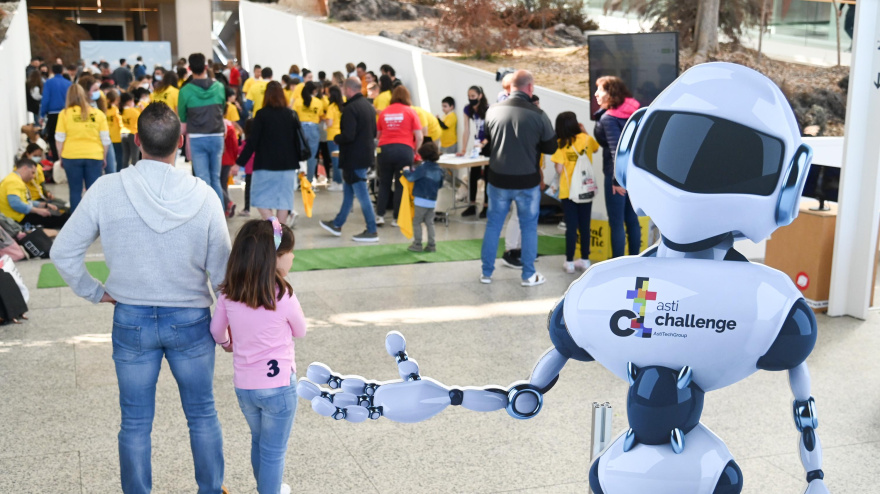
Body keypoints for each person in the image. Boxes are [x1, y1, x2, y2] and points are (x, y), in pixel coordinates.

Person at [51, 102, 230, 494]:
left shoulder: (107, 188)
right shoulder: (204, 195)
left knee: (134, 422)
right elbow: (223, 274)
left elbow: (62, 251)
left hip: (130, 317)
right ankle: (211, 490)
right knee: (202, 415)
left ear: (137, 141)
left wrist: (94, 291)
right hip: (191, 320)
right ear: (180, 143)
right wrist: (231, 322)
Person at [211, 218, 305, 494]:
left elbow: (217, 332)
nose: (293, 257)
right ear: (273, 257)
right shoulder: (283, 294)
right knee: (274, 451)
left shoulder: (229, 293)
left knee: (259, 441)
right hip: (279, 388)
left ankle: (268, 487)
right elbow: (300, 330)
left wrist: (229, 343)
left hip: (246, 386)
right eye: (289, 252)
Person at [480, 70, 557, 287]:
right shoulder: (538, 114)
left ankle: (486, 273)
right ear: (530, 88)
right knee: (528, 227)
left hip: (498, 180)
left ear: (510, 87)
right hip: (527, 181)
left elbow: (489, 143)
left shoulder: (492, 111)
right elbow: (551, 147)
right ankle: (528, 275)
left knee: (493, 226)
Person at [319, 77, 379, 243]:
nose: (343, 92)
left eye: (344, 89)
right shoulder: (368, 106)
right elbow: (374, 132)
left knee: (362, 194)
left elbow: (348, 135)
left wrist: (337, 138)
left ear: (349, 89)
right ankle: (337, 224)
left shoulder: (351, 108)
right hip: (364, 155)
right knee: (349, 192)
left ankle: (372, 230)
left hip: (354, 158)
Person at [237, 81, 304, 225]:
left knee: (260, 199)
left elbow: (252, 142)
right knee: (284, 202)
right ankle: (280, 241)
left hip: (265, 165)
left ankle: (275, 228)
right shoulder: (290, 115)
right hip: (287, 165)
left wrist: (239, 163)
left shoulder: (261, 115)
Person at [593, 75, 641, 258]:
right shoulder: (636, 111)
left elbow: (616, 151)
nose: (596, 93)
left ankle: (617, 265)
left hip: (617, 177)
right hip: (635, 174)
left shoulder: (609, 118)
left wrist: (617, 180)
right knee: (632, 220)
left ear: (611, 93)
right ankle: (635, 260)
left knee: (616, 223)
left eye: (600, 90)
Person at [550, 111, 599, 273]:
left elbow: (558, 169)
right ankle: (585, 259)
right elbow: (596, 149)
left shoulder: (560, 144)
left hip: (568, 192)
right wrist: (584, 132)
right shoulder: (586, 139)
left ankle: (570, 262)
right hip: (586, 189)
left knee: (571, 227)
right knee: (585, 226)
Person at [179, 52, 227, 206]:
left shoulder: (185, 91)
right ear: (206, 67)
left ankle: (205, 215)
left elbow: (183, 118)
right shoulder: (219, 87)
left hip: (197, 138)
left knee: (202, 180)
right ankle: (219, 215)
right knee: (216, 178)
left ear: (189, 68)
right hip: (217, 135)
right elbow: (223, 109)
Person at [55, 84, 110, 211]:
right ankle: (94, 223)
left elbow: (59, 139)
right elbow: (105, 140)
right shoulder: (98, 114)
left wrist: (61, 157)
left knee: (75, 191)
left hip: (71, 156)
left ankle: (75, 225)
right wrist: (104, 157)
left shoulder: (64, 114)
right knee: (93, 192)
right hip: (94, 156)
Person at [376, 85, 423, 226]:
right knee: (401, 184)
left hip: (384, 150)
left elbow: (378, 135)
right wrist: (416, 151)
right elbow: (419, 136)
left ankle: (380, 216)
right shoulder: (411, 112)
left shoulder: (384, 112)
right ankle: (397, 218)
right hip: (404, 150)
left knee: (384, 183)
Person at [0, 157, 69, 229]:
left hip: (20, 215)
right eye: (32, 172)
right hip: (18, 219)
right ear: (25, 168)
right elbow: (15, 204)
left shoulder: (13, 179)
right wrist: (37, 211)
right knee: (62, 218)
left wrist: (42, 205)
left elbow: (25, 201)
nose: (33, 176)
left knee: (60, 214)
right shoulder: (14, 181)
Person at [403, 141, 444, 252]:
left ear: (422, 155)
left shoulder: (422, 168)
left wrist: (406, 171)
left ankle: (417, 244)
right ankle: (432, 245)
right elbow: (440, 185)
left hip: (421, 200)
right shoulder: (440, 169)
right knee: (429, 222)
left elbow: (411, 178)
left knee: (417, 222)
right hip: (432, 200)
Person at [455, 86, 490, 217]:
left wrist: (483, 144)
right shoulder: (468, 109)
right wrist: (464, 149)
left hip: (488, 144)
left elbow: (491, 132)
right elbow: (467, 130)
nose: (471, 99)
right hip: (477, 145)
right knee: (473, 174)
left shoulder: (489, 109)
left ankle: (486, 206)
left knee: (487, 176)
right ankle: (472, 204)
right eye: (469, 96)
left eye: (473, 96)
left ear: (480, 96)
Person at [293, 81, 325, 183]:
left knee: (298, 155)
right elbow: (320, 117)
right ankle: (310, 180)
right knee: (312, 156)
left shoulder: (298, 101)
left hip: (300, 129)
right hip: (313, 129)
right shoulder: (318, 102)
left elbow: (294, 116)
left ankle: (299, 181)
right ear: (314, 91)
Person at [39, 64, 72, 161]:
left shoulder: (48, 83)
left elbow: (45, 99)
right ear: (62, 71)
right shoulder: (68, 83)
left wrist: (42, 114)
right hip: (67, 113)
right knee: (66, 136)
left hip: (53, 114)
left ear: (52, 71)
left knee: (52, 138)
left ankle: (56, 159)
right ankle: (66, 157)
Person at [21, 143, 67, 209]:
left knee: (64, 204)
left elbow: (42, 184)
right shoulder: (22, 169)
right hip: (33, 199)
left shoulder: (39, 167)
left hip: (41, 197)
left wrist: (47, 193)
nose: (37, 158)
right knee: (61, 209)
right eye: (35, 155)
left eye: (39, 156)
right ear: (28, 154)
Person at [323, 85, 345, 191]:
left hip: (332, 136)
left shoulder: (331, 107)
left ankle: (338, 181)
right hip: (342, 134)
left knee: (335, 160)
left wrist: (325, 120)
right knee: (340, 159)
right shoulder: (344, 105)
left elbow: (330, 123)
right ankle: (340, 180)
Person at [221, 117, 239, 217]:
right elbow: (234, 145)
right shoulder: (230, 126)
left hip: (218, 159)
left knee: (216, 184)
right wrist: (234, 160)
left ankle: (227, 204)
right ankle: (226, 208)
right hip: (228, 160)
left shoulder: (215, 124)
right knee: (224, 184)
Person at [119, 92, 141, 170]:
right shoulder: (133, 111)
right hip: (132, 134)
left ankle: (124, 171)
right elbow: (141, 119)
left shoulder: (120, 111)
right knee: (134, 156)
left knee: (125, 155)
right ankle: (134, 173)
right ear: (128, 101)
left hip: (123, 134)